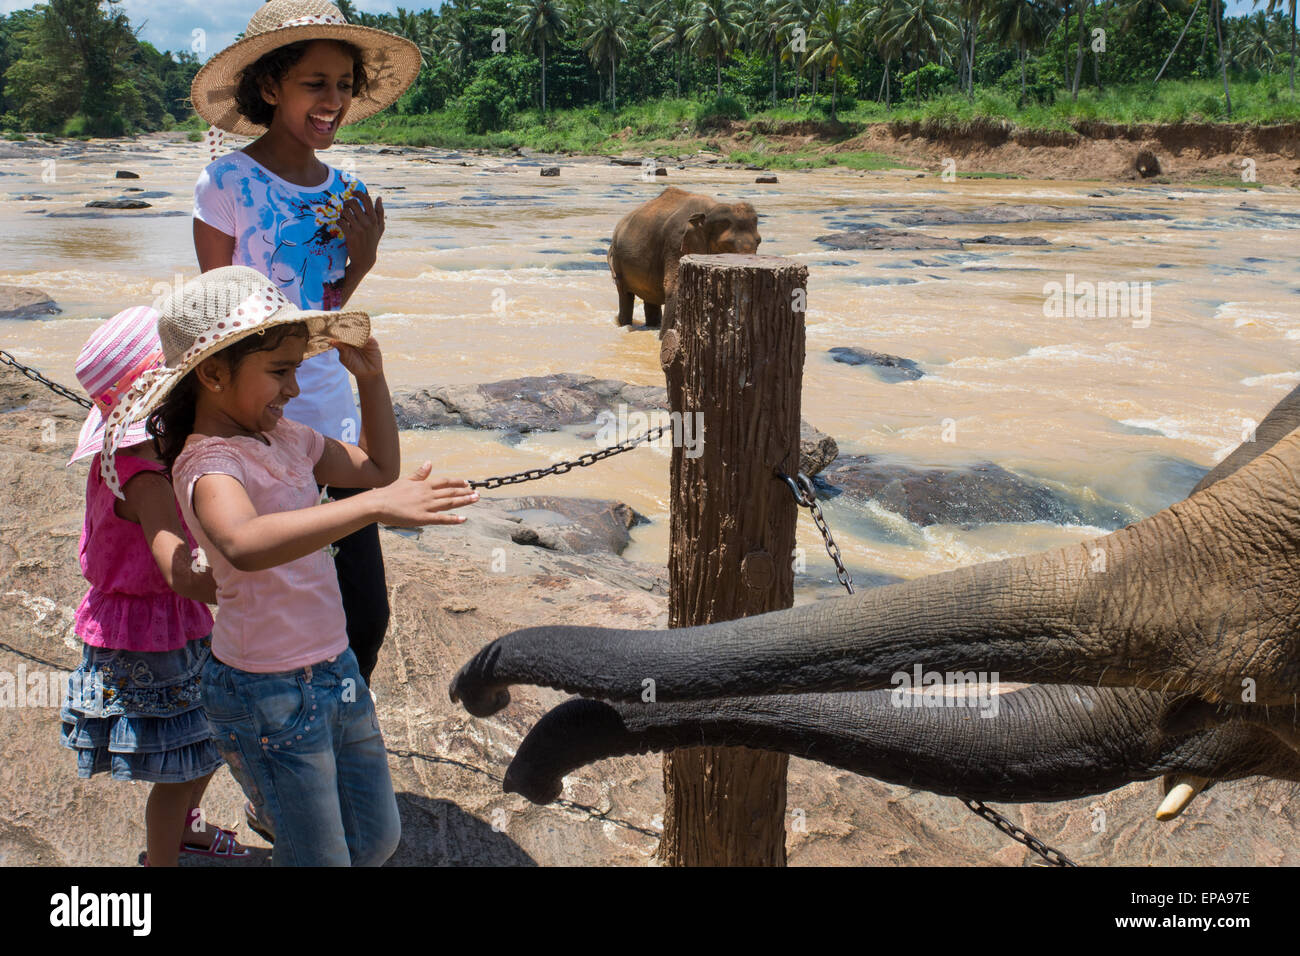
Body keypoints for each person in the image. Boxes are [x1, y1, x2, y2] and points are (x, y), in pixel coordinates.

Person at [98, 266, 477, 866]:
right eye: (279, 371)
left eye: (297, 368)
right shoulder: (207, 462)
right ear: (213, 373)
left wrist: (372, 384)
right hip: (264, 691)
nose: (294, 389)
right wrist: (375, 507)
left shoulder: (289, 438)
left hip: (336, 668)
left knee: (377, 840)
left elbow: (377, 469)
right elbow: (245, 542)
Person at [189, 0, 421, 687]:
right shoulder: (225, 182)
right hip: (258, 420)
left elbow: (317, 314)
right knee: (276, 604)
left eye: (345, 84)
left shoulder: (344, 188)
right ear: (269, 87)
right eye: (315, 83)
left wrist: (362, 265)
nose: (334, 101)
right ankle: (283, 751)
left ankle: (339, 727)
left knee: (364, 612)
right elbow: (220, 318)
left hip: (330, 413)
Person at [61, 305, 247, 867]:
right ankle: (163, 861)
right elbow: (179, 572)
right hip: (149, 631)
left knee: (209, 738)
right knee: (181, 764)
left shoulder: (138, 455)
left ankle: (187, 828)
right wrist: (253, 583)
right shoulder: (143, 477)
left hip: (172, 620)